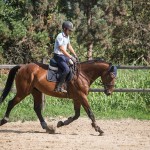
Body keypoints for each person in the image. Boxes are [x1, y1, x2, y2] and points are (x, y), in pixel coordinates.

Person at [53, 21, 77, 93]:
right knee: (66, 69)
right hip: (58, 56)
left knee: (74, 64)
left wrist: (75, 54)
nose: (70, 32)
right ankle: (59, 87)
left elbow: (69, 46)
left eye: (70, 30)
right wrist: (70, 56)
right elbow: (62, 49)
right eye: (69, 30)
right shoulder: (60, 36)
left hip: (63, 56)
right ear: (64, 29)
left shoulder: (67, 36)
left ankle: (68, 84)